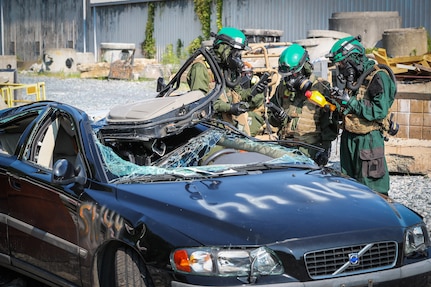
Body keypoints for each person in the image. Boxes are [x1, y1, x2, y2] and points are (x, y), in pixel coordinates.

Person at [326, 35, 397, 194]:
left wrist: (349, 101)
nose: (341, 68)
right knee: (349, 186)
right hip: (348, 138)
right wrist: (336, 102)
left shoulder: (377, 76)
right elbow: (347, 108)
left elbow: (379, 111)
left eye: (343, 63)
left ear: (354, 59)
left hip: (368, 140)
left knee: (373, 189)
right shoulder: (352, 79)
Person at [187, 27, 267, 135]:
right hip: (209, 129)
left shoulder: (227, 68)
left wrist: (255, 91)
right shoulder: (201, 68)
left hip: (228, 126)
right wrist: (229, 108)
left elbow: (238, 94)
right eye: (235, 52)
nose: (237, 57)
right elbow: (200, 101)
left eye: (239, 53)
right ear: (224, 47)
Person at [268, 43, 339, 166]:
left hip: (310, 150)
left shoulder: (321, 88)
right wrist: (277, 118)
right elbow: (272, 120)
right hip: (284, 149)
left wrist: (325, 149)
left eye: (293, 75)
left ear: (304, 69)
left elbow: (329, 124)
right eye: (286, 76)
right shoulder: (282, 88)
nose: (289, 81)